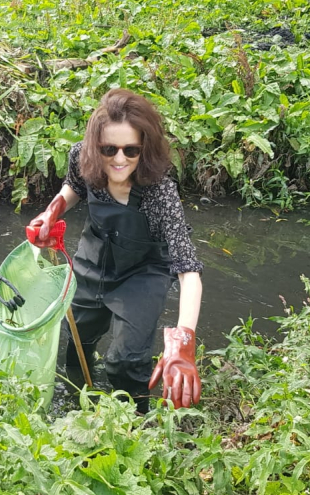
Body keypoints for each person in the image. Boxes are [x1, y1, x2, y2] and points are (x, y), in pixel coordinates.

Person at [28, 88, 203, 412]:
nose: (120, 160)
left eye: (131, 150)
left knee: (125, 361)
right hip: (94, 257)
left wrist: (183, 341)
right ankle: (81, 404)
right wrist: (52, 211)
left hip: (143, 271)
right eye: (109, 149)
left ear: (144, 148)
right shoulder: (82, 156)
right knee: (77, 338)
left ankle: (137, 421)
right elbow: (74, 188)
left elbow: (188, 268)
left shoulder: (159, 190)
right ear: (96, 146)